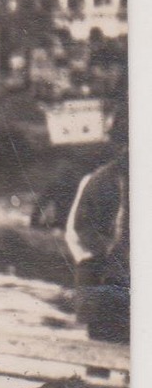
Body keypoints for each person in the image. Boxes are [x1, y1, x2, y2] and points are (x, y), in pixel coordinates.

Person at [65, 143, 129, 344]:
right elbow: (80, 229)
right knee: (101, 332)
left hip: (122, 268)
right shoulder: (100, 181)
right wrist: (109, 249)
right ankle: (96, 373)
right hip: (101, 267)